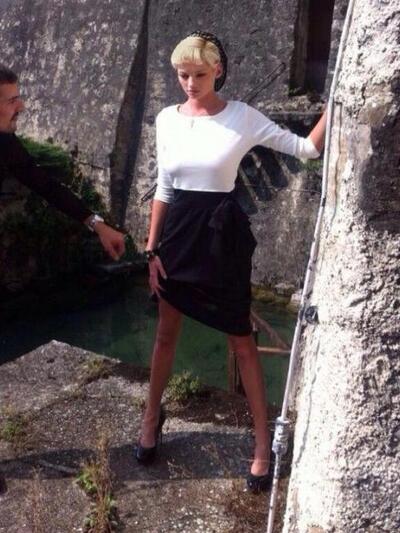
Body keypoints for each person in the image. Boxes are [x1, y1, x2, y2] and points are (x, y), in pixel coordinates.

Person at [136, 32, 327, 492]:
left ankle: (262, 445)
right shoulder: (166, 119)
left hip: (221, 241)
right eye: (183, 75)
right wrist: (151, 250)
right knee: (165, 335)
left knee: (242, 341)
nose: (190, 84)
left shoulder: (242, 116)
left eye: (199, 75)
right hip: (177, 239)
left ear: (218, 70)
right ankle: (151, 418)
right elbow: (164, 187)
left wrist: (335, 105)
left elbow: (306, 150)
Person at [0, 64, 125, 261]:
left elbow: (44, 184)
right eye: (12, 101)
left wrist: (97, 224)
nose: (21, 107)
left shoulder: (5, 141)